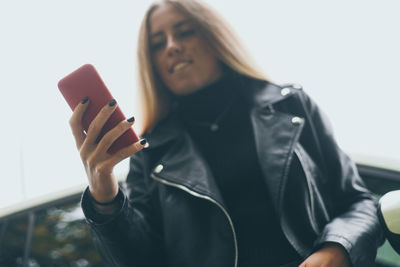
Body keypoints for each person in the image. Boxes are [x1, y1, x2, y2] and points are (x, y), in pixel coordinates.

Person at [69, 0, 384, 266]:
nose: (172, 47)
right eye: (157, 44)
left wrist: (337, 248)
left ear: (213, 36)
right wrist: (105, 196)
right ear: (150, 63)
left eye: (184, 32)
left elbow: (359, 202)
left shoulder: (291, 107)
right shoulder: (150, 150)